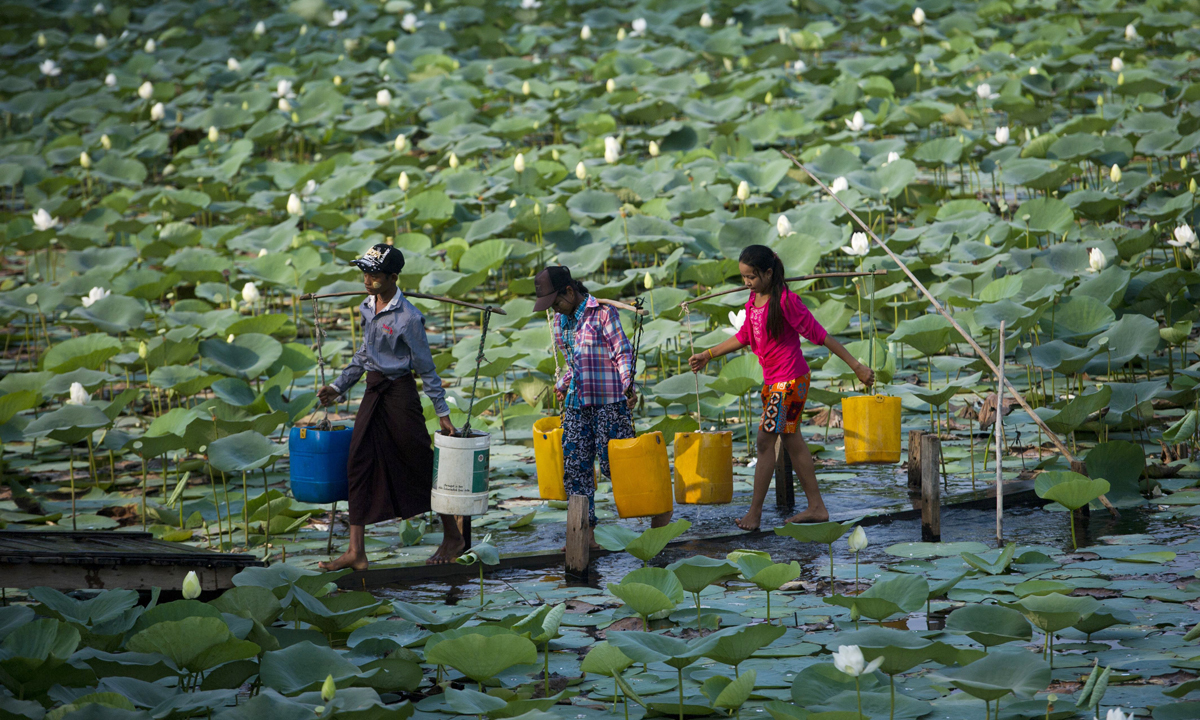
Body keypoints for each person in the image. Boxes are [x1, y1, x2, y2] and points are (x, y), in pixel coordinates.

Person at [688, 244, 874, 531]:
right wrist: (708, 354)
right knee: (791, 440)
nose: (746, 283)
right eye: (743, 277)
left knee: (764, 441)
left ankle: (755, 513)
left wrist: (857, 366)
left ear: (769, 273)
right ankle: (817, 507)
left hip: (790, 381)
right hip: (776, 382)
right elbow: (744, 336)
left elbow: (820, 335)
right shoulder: (753, 303)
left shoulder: (787, 302)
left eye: (751, 277)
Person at [316, 243, 461, 569]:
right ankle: (357, 551)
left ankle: (453, 534)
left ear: (394, 277)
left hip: (399, 395)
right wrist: (339, 387)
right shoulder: (368, 307)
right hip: (373, 390)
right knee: (357, 461)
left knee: (419, 462)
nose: (368, 279)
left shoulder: (409, 318)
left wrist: (442, 412)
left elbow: (426, 368)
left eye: (376, 275)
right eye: (365, 272)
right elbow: (364, 356)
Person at [533, 266, 671, 546]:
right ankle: (585, 537)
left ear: (570, 291)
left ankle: (661, 514)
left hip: (609, 403)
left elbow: (622, 353)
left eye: (557, 302)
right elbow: (573, 365)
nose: (556, 310)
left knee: (618, 467)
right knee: (576, 470)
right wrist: (562, 386)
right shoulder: (561, 323)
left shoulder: (603, 314)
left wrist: (627, 385)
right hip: (576, 406)